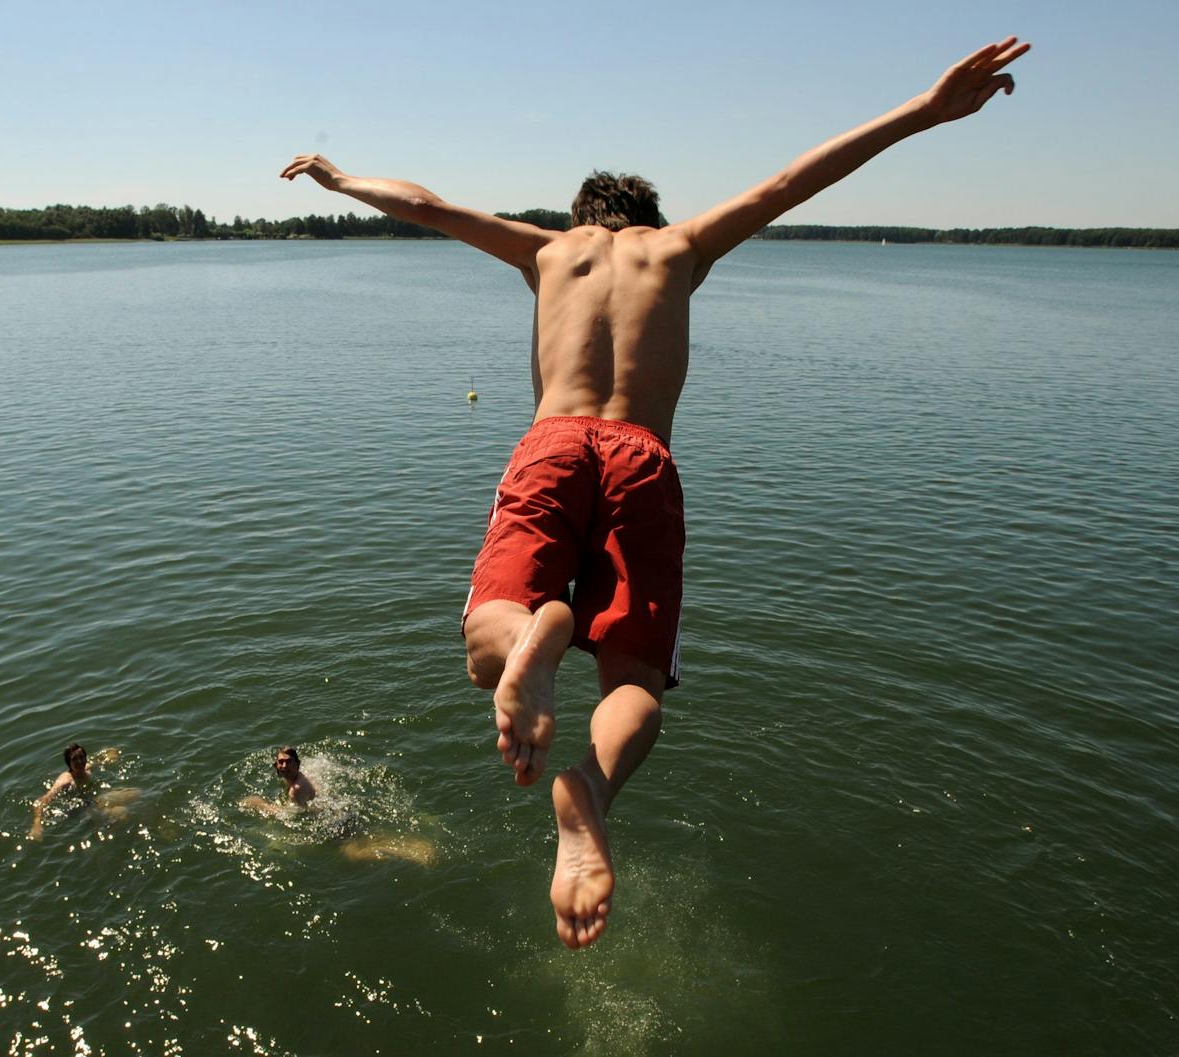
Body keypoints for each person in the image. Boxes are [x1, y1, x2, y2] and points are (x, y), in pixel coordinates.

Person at [279, 37, 1031, 948]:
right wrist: (925, 109)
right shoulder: (676, 249)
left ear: (583, 216)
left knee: (487, 643)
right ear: (647, 216)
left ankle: (531, 636)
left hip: (551, 444)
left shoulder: (549, 252)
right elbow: (791, 181)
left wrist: (342, 176)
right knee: (634, 681)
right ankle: (589, 789)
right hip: (643, 457)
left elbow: (430, 207)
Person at [241, 746, 437, 866]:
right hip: (338, 811)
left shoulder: (295, 789)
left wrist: (260, 805)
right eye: (280, 763)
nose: (284, 766)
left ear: (297, 764)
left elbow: (290, 815)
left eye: (288, 762)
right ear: (275, 766)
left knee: (353, 852)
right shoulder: (299, 778)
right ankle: (413, 847)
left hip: (334, 822)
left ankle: (413, 852)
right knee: (363, 841)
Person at [29, 743, 126, 840]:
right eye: (74, 759)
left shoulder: (87, 768)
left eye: (81, 757)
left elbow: (103, 761)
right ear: (69, 763)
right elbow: (41, 801)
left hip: (95, 800)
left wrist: (111, 753)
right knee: (121, 812)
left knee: (135, 793)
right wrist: (36, 824)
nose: (79, 761)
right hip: (80, 810)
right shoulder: (65, 782)